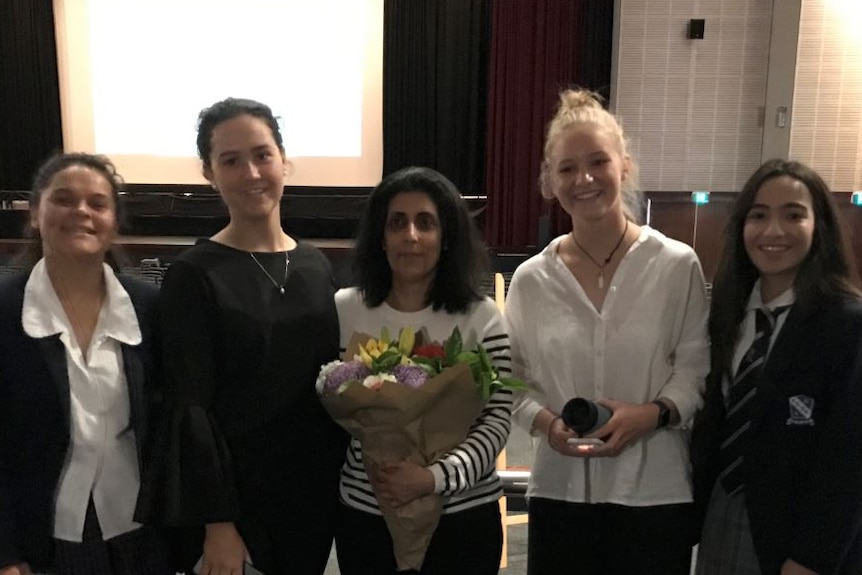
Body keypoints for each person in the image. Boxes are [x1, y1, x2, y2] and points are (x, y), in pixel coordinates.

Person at [136, 98, 347, 575]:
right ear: (210, 174)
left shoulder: (316, 265)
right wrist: (218, 524)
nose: (251, 172)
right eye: (231, 161)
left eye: (262, 154)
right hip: (238, 506)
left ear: (283, 159)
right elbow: (190, 408)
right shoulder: (194, 275)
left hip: (311, 496)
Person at [505, 89, 710, 575]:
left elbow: (696, 368)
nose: (585, 179)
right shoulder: (533, 279)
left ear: (625, 166)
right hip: (561, 491)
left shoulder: (676, 265)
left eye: (598, 161)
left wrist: (652, 414)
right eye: (567, 168)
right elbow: (508, 379)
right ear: (549, 183)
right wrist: (544, 422)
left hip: (655, 493)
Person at [333, 166, 512, 575]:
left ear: (446, 237)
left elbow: (497, 419)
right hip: (367, 515)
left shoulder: (482, 318)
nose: (410, 235)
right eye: (397, 223)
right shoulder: (344, 310)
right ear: (380, 237)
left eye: (425, 223)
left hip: (462, 519)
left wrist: (432, 478)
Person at [0, 153, 170, 575]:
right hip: (42, 535)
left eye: (97, 203)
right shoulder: (4, 310)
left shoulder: (149, 308)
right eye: (63, 199)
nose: (81, 211)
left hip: (138, 527)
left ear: (114, 223)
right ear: (36, 214)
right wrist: (4, 552)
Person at [691, 159, 862, 575]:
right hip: (721, 514)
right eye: (759, 215)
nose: (773, 231)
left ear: (818, 226)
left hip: (798, 537)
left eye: (793, 214)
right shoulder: (727, 317)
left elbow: (849, 460)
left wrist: (811, 559)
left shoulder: (847, 324)